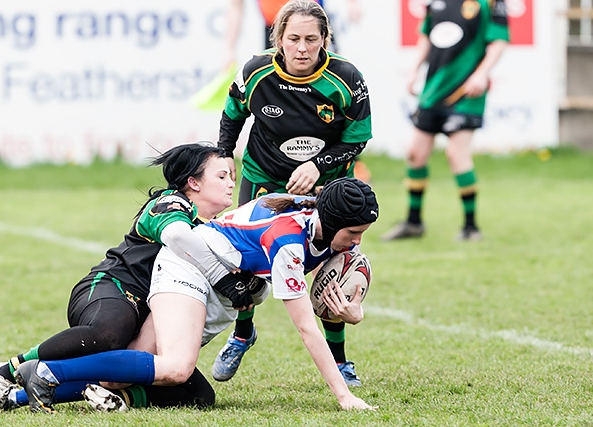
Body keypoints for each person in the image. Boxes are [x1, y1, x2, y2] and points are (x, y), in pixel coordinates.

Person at [8, 177, 380, 412]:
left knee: (123, 375)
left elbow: (347, 280)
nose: (357, 242)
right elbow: (305, 329)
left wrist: (354, 311)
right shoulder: (288, 242)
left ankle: (15, 396)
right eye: (353, 233)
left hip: (219, 289)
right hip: (191, 268)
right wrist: (344, 397)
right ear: (332, 223)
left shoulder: (324, 227)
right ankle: (46, 370)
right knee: (176, 368)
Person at [0, 142, 240, 413]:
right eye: (221, 176)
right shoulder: (171, 202)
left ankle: (17, 398)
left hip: (145, 314)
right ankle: (8, 371)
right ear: (193, 182)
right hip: (111, 288)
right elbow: (177, 236)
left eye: (231, 176)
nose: (231, 183)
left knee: (196, 394)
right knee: (110, 334)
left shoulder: (217, 225)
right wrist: (223, 279)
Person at [215, 0, 372, 387]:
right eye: (294, 39)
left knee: (335, 270)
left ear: (325, 39)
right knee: (245, 264)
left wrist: (319, 166)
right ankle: (242, 334)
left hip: (328, 186)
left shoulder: (346, 78)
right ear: (279, 38)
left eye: (311, 40)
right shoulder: (256, 71)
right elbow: (233, 114)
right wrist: (223, 155)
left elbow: (358, 140)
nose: (302, 48)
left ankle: (339, 361)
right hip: (263, 177)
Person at [381, 0, 509, 242]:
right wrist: (414, 69)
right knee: (415, 154)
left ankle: (471, 227)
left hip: (465, 92)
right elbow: (427, 36)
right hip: (433, 91)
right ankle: (413, 222)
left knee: (456, 155)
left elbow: (499, 41)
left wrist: (482, 74)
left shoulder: (491, 3)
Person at [223, 0, 362, 69]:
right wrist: (229, 49)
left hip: (312, 24)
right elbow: (236, 8)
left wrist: (353, 3)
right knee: (276, 83)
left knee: (329, 73)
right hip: (274, 29)